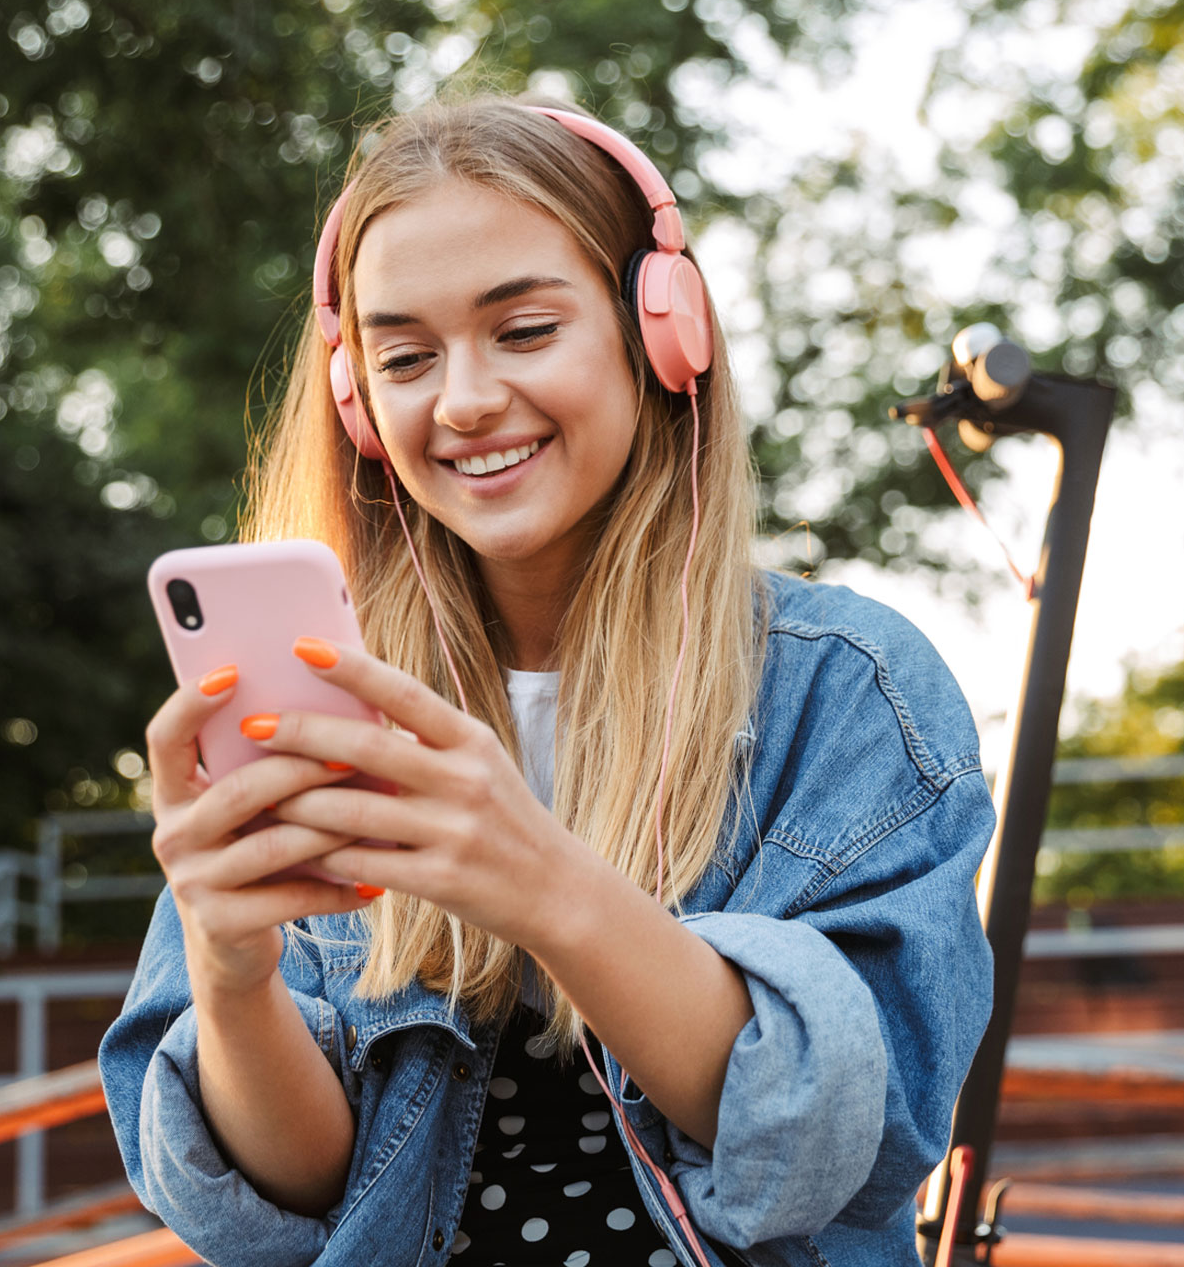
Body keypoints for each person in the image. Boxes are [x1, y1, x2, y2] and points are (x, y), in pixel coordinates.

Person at [100, 90, 996, 1267]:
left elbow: (849, 1143)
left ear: (657, 333)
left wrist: (544, 882)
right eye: (406, 355)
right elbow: (287, 1200)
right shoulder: (327, 700)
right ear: (355, 399)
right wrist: (226, 968)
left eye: (523, 331)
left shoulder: (848, 694)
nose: (463, 400)